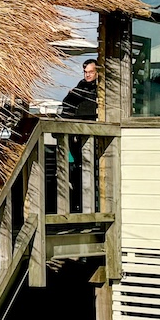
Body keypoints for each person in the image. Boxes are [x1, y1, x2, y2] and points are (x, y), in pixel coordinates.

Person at [59, 59, 101, 212]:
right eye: (85, 72)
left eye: (90, 72)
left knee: (88, 167)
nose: (87, 75)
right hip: (74, 129)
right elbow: (67, 102)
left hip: (88, 131)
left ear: (97, 72)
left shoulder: (97, 88)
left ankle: (87, 206)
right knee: (78, 165)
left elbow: (81, 102)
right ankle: (78, 203)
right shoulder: (82, 85)